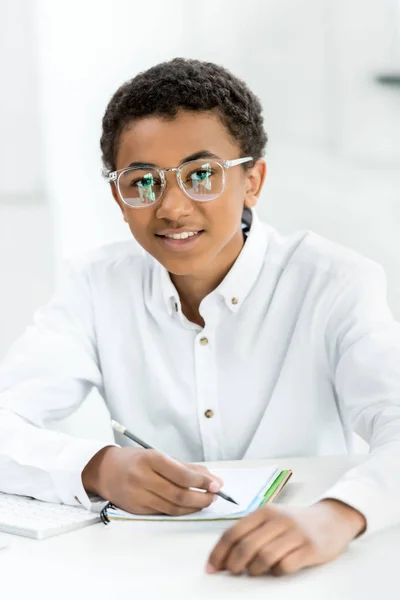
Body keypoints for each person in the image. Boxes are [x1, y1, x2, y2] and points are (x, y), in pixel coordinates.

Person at [0, 57, 400, 576]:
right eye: (142, 181)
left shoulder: (334, 282)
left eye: (202, 175)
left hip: (304, 565)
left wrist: (338, 516)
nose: (171, 207)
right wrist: (97, 467)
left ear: (253, 181)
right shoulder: (95, 286)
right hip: (145, 571)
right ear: (119, 199)